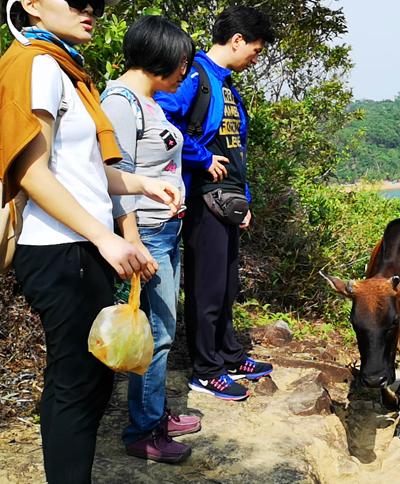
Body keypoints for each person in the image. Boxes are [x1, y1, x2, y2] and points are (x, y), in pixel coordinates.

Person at [0, 0, 181, 482]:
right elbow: (30, 173)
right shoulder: (34, 64)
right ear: (31, 5)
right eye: (77, 0)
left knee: (88, 380)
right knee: (77, 383)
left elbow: (83, 172)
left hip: (80, 246)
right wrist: (106, 237)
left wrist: (143, 185)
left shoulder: (65, 68)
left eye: (96, 3)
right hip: (60, 249)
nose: (90, 9)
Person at [155, 5, 274, 401]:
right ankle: (205, 369)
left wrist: (246, 201)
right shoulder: (196, 76)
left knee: (226, 285)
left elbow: (236, 149)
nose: (254, 58)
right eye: (254, 50)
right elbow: (163, 120)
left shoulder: (226, 84)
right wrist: (201, 158)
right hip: (203, 201)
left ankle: (228, 353)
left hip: (228, 201)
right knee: (206, 289)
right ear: (237, 40)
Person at [101, 15, 198, 463]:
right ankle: (144, 429)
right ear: (165, 57)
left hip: (166, 228)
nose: (186, 70)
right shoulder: (121, 102)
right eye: (183, 61)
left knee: (163, 329)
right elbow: (113, 176)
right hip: (148, 235)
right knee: (155, 334)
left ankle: (155, 412)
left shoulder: (151, 100)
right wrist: (133, 240)